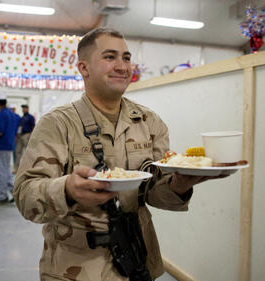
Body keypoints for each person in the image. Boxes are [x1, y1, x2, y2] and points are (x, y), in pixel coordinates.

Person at [13, 28, 225, 281]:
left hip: (137, 259)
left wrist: (180, 184)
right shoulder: (58, 124)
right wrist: (67, 189)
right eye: (110, 57)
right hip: (76, 266)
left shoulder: (149, 122)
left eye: (126, 57)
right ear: (83, 68)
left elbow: (154, 194)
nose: (122, 66)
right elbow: (25, 196)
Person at [0, 93, 19, 205]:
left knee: (0, 172)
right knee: (6, 171)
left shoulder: (1, 115)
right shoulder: (11, 114)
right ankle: (15, 194)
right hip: (9, 145)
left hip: (2, 146)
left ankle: (2, 196)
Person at [12, 104, 35, 174]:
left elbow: (33, 126)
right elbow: (19, 127)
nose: (23, 110)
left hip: (26, 135)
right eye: (22, 108)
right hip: (20, 136)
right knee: (18, 152)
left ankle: (29, 168)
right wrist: (17, 135)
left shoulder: (30, 117)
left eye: (24, 108)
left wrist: (32, 135)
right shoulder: (22, 117)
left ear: (27, 109)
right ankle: (16, 168)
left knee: (28, 152)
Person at [9, 104, 21, 168]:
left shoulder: (17, 117)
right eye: (11, 109)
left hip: (15, 137)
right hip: (7, 137)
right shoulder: (7, 116)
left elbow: (19, 127)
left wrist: (17, 135)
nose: (12, 110)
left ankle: (15, 166)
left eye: (13, 109)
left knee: (15, 152)